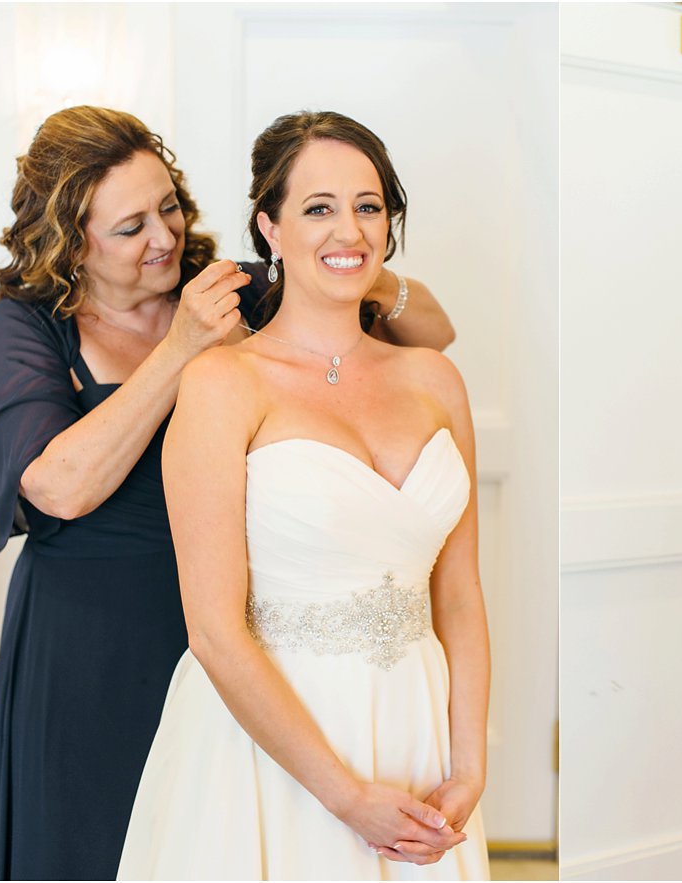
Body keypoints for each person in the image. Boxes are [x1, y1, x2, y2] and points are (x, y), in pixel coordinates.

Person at [0, 105, 452, 881]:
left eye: (168, 205)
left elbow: (434, 331)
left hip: (229, 626)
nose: (163, 236)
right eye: (130, 227)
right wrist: (182, 349)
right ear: (71, 238)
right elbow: (59, 486)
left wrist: (335, 244)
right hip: (90, 641)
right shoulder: (31, 326)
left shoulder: (232, 289)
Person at [113, 110, 490, 879]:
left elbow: (460, 596)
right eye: (317, 207)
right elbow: (215, 630)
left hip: (416, 732)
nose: (347, 229)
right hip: (274, 753)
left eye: (368, 204)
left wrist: (471, 762)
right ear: (270, 228)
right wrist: (345, 795)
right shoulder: (223, 383)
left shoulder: (436, 380)